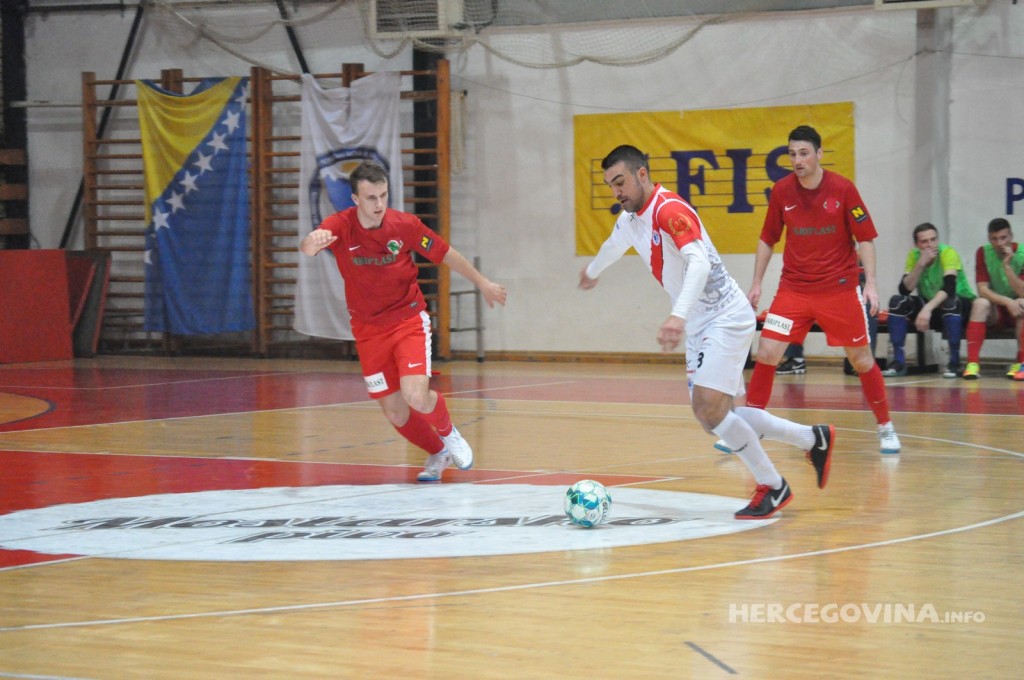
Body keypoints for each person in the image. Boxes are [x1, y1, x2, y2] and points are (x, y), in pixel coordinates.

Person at [579, 144, 835, 520]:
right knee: (719, 413)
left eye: (620, 182)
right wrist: (593, 271)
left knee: (707, 408)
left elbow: (698, 263)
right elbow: (614, 245)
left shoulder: (671, 210)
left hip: (724, 316)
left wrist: (677, 316)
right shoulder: (630, 218)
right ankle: (814, 439)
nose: (616, 192)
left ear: (642, 175)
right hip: (701, 322)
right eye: (611, 186)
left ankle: (773, 485)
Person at [299, 161, 507, 481]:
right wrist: (312, 243)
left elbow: (444, 252)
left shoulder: (403, 225)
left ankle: (450, 435)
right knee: (395, 411)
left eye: (383, 195)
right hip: (368, 331)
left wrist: (482, 282)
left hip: (407, 319)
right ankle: (438, 453)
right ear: (355, 199)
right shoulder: (340, 226)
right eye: (371, 198)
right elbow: (309, 245)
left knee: (415, 396)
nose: (379, 204)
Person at [742, 125, 900, 454]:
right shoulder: (782, 192)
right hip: (793, 293)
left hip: (839, 292)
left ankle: (885, 426)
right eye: (792, 154)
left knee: (861, 359)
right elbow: (767, 239)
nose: (797, 160)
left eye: (803, 153)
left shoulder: (843, 189)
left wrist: (870, 283)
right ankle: (752, 427)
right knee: (768, 350)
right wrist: (756, 283)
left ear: (819, 154)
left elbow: (866, 239)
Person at [881, 222, 982, 379]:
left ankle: (954, 364)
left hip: (960, 307)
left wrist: (927, 309)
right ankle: (898, 363)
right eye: (924, 241)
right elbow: (904, 289)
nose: (930, 245)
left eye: (933, 240)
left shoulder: (948, 253)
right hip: (932, 305)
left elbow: (949, 288)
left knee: (950, 302)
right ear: (917, 244)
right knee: (897, 301)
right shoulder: (914, 256)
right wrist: (920, 264)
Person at [963, 217, 1024, 380]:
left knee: (1023, 303)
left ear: (1011, 236)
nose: (999, 243)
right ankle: (972, 364)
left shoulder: (1023, 253)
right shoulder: (983, 252)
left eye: (1003, 238)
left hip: (1017, 308)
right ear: (989, 239)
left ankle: (1021, 363)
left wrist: (1007, 266)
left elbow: (1023, 292)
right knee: (979, 303)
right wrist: (1007, 302)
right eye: (994, 239)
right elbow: (982, 290)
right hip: (998, 308)